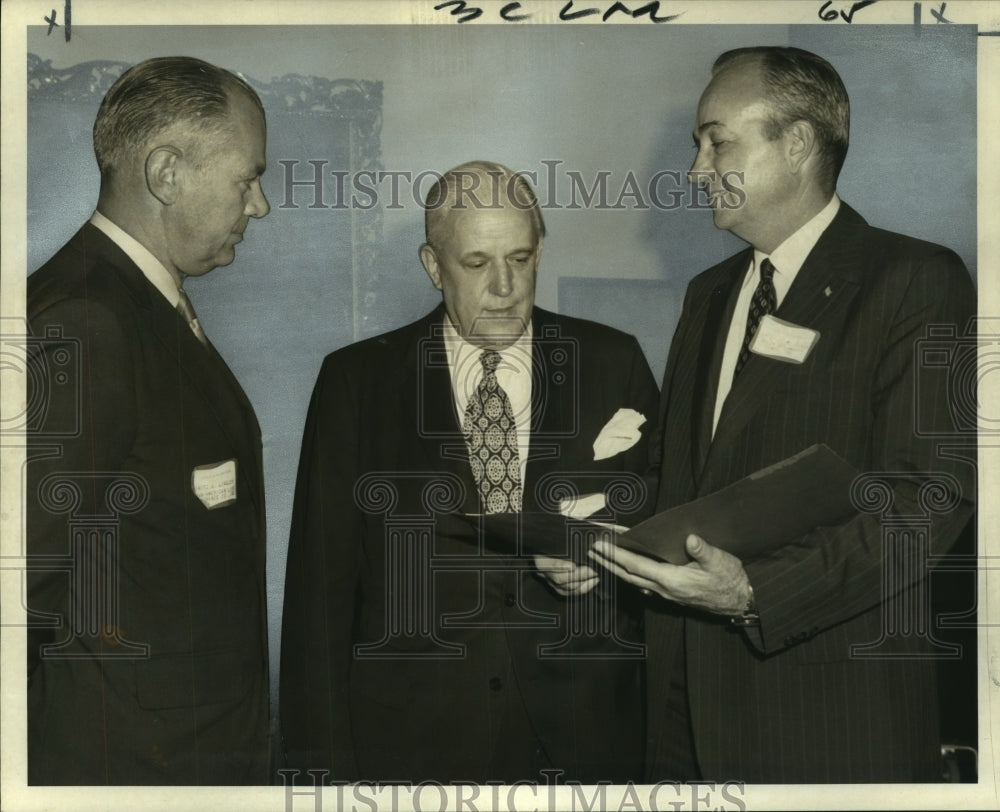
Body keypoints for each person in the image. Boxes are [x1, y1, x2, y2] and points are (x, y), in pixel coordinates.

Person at [589, 47, 976, 782]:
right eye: (697, 146)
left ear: (797, 143)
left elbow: (930, 502)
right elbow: (685, 478)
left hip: (824, 717)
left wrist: (754, 593)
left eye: (717, 141)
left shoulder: (915, 281)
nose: (698, 169)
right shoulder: (709, 293)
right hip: (678, 712)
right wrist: (593, 546)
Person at [280, 161, 658, 783]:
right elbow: (319, 595)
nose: (505, 286)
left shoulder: (613, 358)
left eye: (521, 257)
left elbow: (661, 513)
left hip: (588, 735)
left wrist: (602, 559)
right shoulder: (359, 381)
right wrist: (322, 776)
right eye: (477, 264)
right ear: (433, 266)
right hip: (415, 742)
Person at [26, 56, 271, 785]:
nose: (258, 206)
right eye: (247, 178)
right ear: (166, 173)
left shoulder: (135, 300)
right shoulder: (87, 318)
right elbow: (18, 589)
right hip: (128, 767)